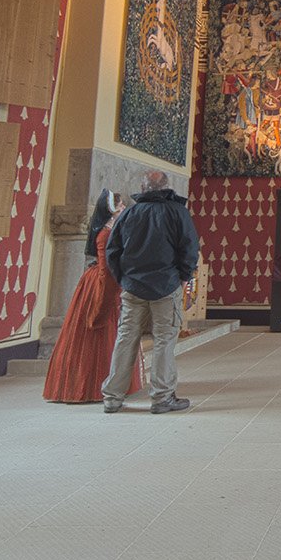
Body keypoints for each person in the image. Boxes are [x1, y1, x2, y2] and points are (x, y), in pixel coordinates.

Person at [102, 170, 199, 414]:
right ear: (166, 187)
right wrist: (183, 277)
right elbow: (189, 248)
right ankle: (162, 397)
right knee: (164, 340)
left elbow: (113, 250)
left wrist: (124, 278)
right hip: (166, 286)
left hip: (133, 287)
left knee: (126, 339)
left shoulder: (129, 213)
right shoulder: (177, 212)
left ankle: (112, 397)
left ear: (143, 188)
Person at [43, 190, 142, 404]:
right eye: (120, 207)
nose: (124, 209)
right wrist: (101, 306)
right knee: (100, 338)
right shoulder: (106, 235)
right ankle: (92, 386)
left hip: (104, 282)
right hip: (101, 286)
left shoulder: (111, 230)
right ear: (112, 211)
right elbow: (107, 272)